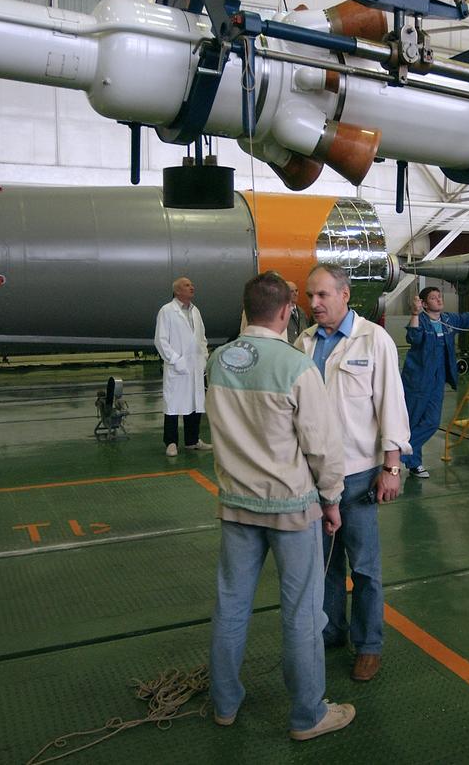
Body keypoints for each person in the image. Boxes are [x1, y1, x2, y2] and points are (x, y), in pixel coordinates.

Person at [205, 271, 354, 741]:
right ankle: (308, 714)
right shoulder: (296, 366)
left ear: (246, 310)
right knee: (302, 613)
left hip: (235, 506)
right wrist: (332, 500)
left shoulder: (217, 361)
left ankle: (224, 703)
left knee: (231, 605)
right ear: (288, 311)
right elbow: (323, 448)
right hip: (290, 511)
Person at [296, 263, 410, 683]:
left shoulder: (374, 340)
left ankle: (368, 645)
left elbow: (392, 405)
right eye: (310, 296)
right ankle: (331, 631)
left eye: (323, 295)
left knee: (364, 566)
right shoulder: (304, 343)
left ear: (345, 295)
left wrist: (392, 466)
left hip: (359, 474)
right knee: (324, 565)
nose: (315, 303)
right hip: (313, 476)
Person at [401, 287, 469, 478]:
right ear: (424, 304)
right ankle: (414, 463)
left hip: (438, 378)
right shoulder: (422, 320)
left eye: (439, 297)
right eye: (433, 298)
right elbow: (413, 338)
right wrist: (415, 314)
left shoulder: (449, 320)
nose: (439, 300)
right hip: (418, 379)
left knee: (432, 422)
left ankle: (399, 453)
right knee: (412, 421)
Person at [155, 276, 211, 456]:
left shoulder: (196, 311)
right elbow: (161, 340)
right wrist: (176, 360)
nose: (192, 287)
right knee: (173, 405)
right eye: (187, 285)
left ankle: (192, 440)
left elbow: (201, 337)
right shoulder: (167, 311)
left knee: (195, 403)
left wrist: (204, 356)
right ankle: (170, 442)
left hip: (195, 365)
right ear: (177, 291)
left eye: (192, 284)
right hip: (177, 367)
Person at [286, 280, 308, 344]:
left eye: (296, 290)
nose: (295, 294)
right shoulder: (281, 314)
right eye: (291, 291)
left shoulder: (302, 313)